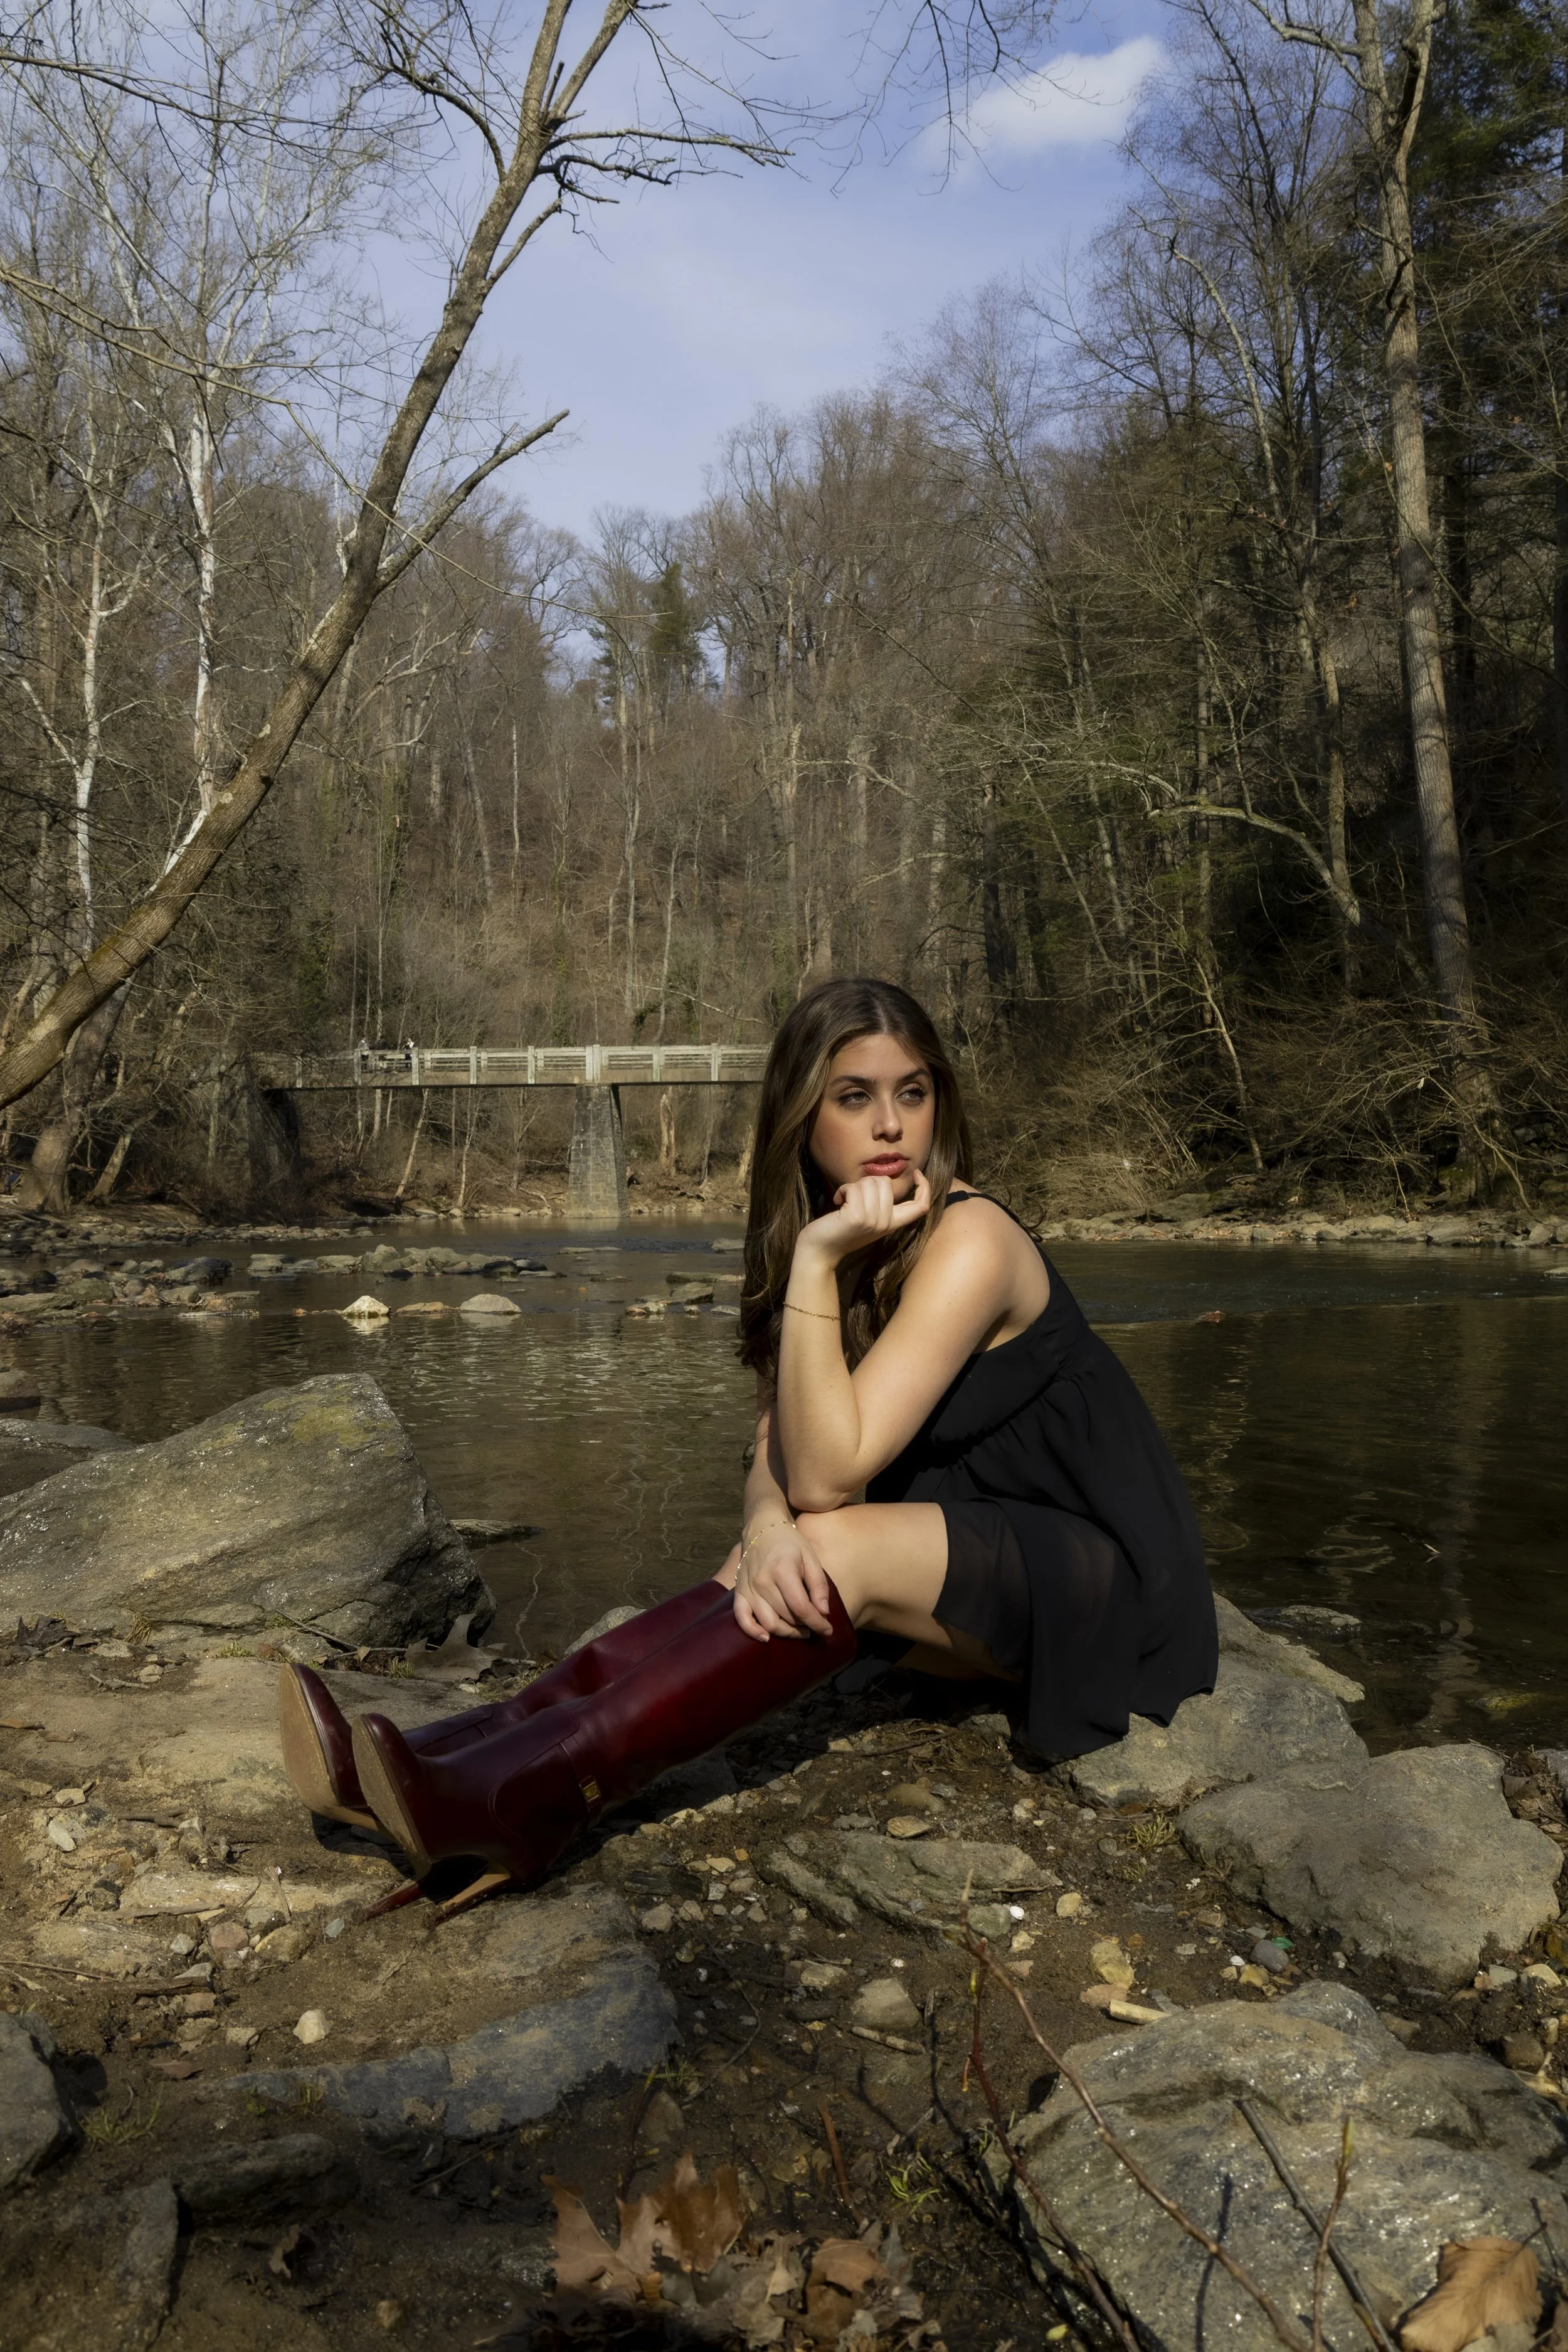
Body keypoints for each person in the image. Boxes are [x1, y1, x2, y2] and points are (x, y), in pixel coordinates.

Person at [276, 976, 1216, 1902]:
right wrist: (764, 1532)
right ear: (805, 1117)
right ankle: (451, 1754)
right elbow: (776, 1454)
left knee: (828, 1543)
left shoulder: (970, 1240)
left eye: (912, 1093)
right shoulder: (821, 1235)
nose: (891, 1125)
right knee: (764, 1562)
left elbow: (830, 1472)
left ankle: (535, 1800)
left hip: (1096, 1582)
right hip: (971, 1554)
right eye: (855, 1097)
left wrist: (819, 1260)